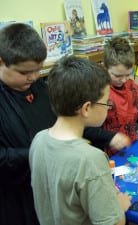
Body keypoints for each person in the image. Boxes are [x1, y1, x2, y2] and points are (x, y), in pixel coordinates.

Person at [29, 56, 131, 225]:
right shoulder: (90, 159)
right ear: (87, 108)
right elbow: (113, 223)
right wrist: (119, 207)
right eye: (105, 103)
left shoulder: (39, 140)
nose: (107, 107)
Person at [0, 23, 56, 225]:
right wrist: (40, 151)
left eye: (38, 70)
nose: (33, 77)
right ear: (1, 62)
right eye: (24, 72)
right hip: (13, 199)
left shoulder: (39, 86)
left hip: (46, 187)